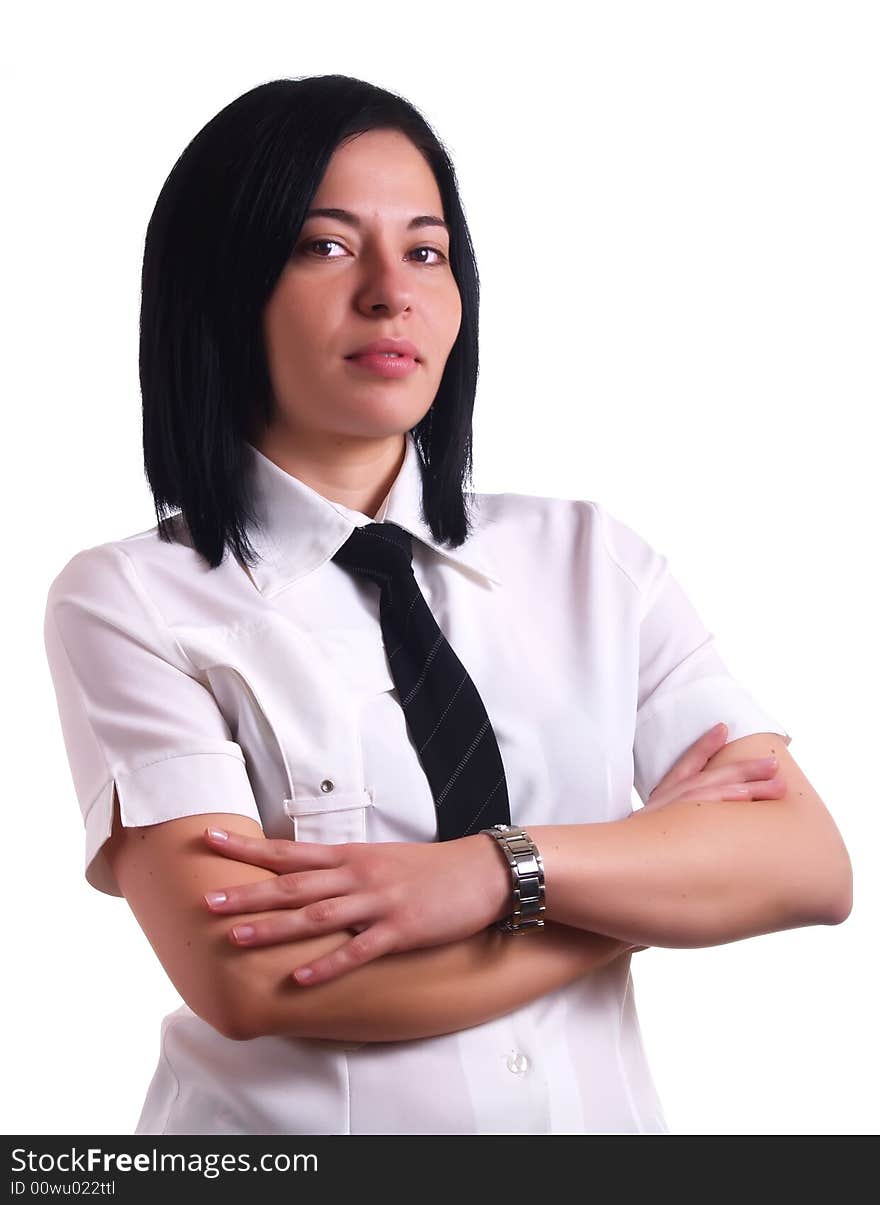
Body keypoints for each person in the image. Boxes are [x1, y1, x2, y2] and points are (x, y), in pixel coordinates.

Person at [42, 75, 852, 1136]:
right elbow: (253, 979)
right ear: (222, 284)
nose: (391, 290)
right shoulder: (131, 599)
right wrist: (639, 882)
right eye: (323, 245)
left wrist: (496, 871)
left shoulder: (593, 560)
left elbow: (806, 863)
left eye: (425, 249)